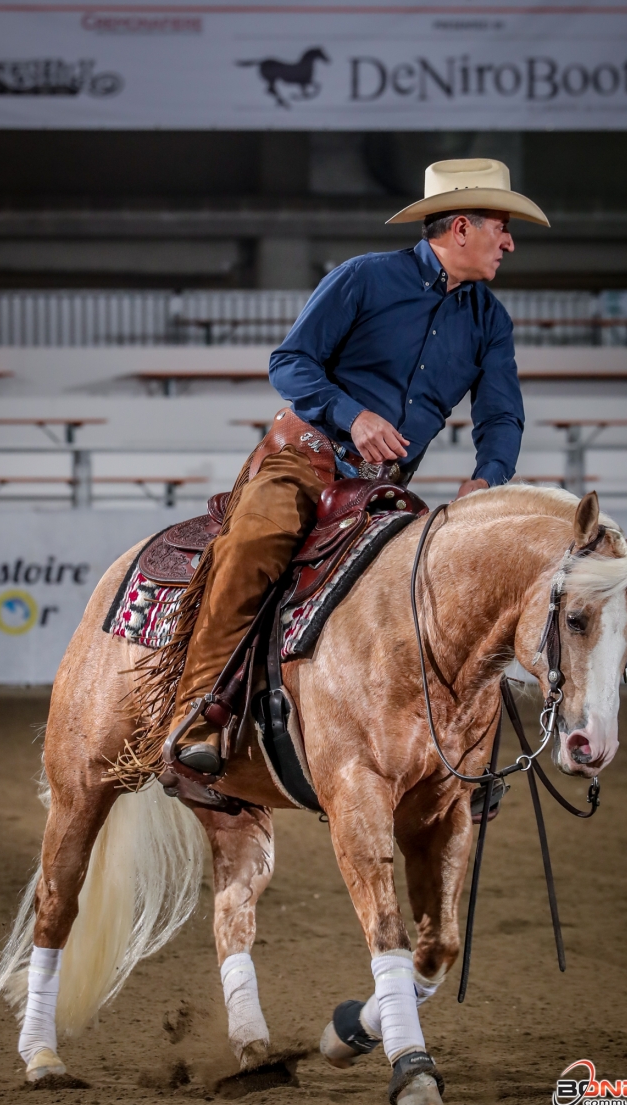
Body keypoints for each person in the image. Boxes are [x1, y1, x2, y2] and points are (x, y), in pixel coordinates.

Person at [171, 157, 549, 774]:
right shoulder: (363, 279)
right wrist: (355, 417)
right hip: (304, 461)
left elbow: (501, 417)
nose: (508, 242)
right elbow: (290, 363)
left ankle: (440, 747)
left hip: (381, 491)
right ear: (460, 228)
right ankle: (200, 711)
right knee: (253, 545)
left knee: (438, 588)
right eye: (500, 227)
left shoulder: (490, 322)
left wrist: (489, 477)